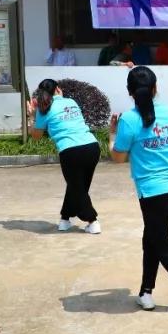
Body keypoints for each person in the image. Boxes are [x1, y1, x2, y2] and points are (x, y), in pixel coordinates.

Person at [109, 66, 168, 312]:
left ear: (129, 91)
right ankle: (146, 292)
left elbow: (118, 158)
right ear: (155, 88)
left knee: (162, 246)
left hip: (154, 194)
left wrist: (111, 135)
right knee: (151, 238)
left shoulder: (129, 120)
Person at [27, 79, 102, 233]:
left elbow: (36, 135)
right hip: (92, 147)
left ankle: (92, 221)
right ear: (58, 89)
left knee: (78, 188)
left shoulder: (43, 109)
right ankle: (65, 219)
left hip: (70, 151)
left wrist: (31, 117)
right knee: (77, 186)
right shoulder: (71, 102)